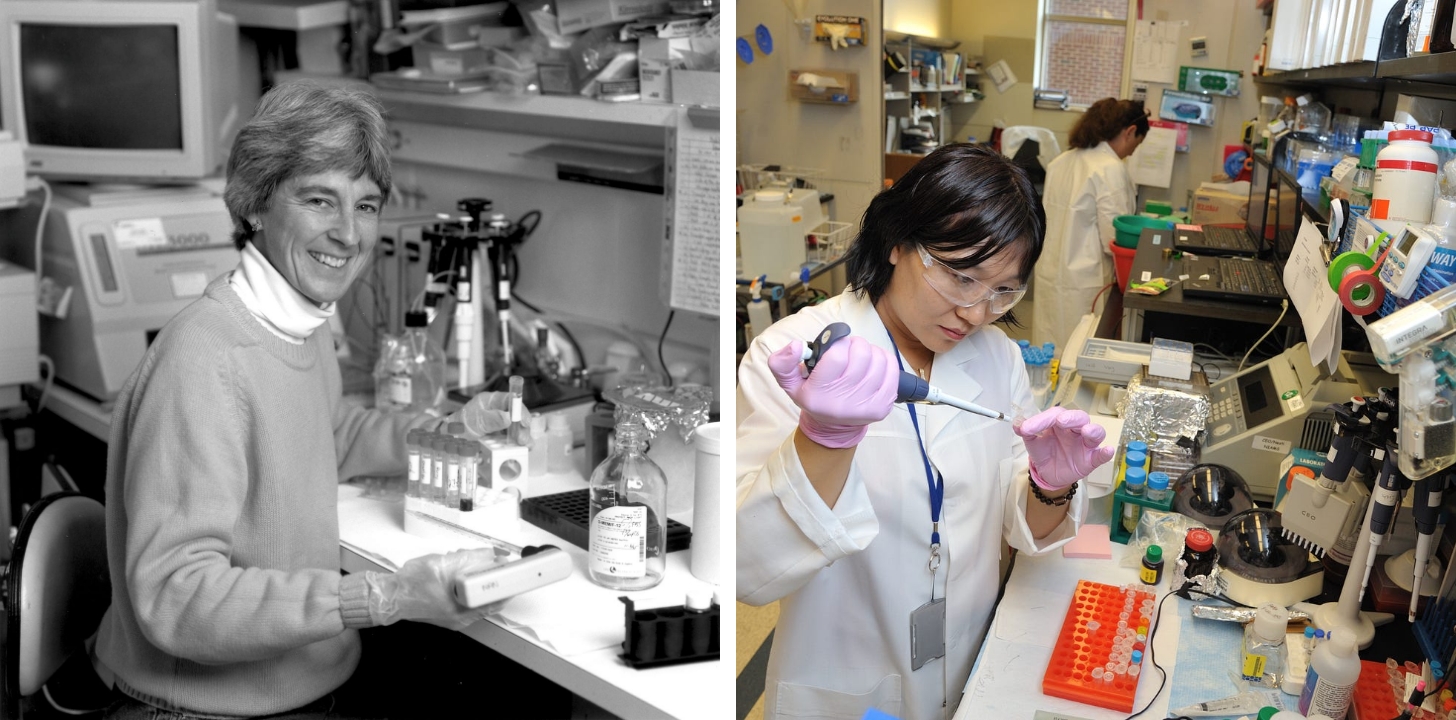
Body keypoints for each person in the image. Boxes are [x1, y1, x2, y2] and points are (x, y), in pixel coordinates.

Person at [89, 81, 547, 719]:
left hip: (306, 681)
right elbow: (178, 597)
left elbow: (327, 434)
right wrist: (383, 598)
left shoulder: (297, 324)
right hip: (199, 706)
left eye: (365, 206)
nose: (348, 234)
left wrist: (451, 428)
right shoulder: (205, 360)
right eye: (318, 200)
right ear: (255, 205)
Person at [737, 144, 1117, 720]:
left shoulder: (997, 357)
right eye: (962, 277)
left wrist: (1049, 486)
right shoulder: (794, 353)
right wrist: (823, 440)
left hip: (971, 656)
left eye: (1003, 291)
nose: (976, 312)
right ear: (897, 242)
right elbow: (747, 565)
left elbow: (1021, 525)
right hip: (848, 678)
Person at [1033, 98, 1149, 352]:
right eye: (1135, 145)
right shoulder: (1110, 169)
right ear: (1130, 132)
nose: (1131, 153)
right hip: (1086, 281)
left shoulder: (1061, 161)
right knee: (1079, 353)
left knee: (1049, 351)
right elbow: (1115, 239)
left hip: (1050, 271)